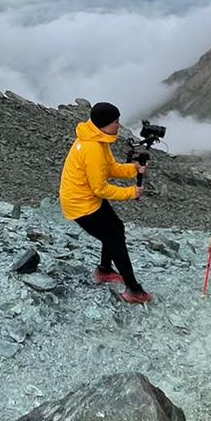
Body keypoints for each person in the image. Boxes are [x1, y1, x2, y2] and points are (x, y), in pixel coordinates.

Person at [59, 101, 151, 304]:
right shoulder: (92, 148)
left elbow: (109, 168)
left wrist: (133, 169)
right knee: (115, 239)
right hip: (81, 204)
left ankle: (104, 270)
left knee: (116, 229)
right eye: (116, 121)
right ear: (105, 123)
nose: (119, 125)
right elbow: (100, 188)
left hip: (85, 198)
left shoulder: (97, 138)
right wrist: (132, 192)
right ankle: (134, 290)